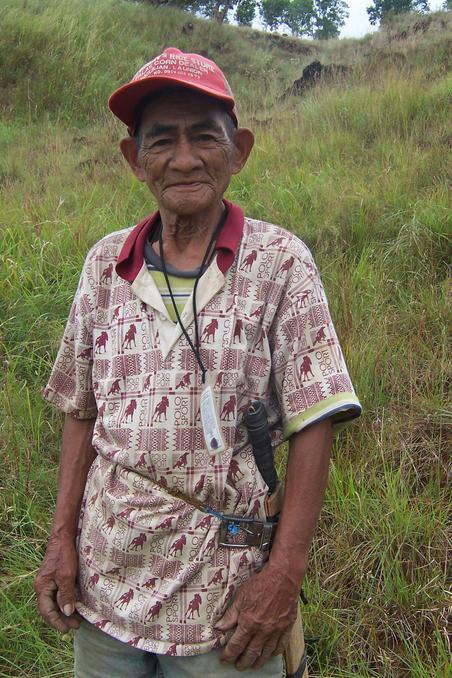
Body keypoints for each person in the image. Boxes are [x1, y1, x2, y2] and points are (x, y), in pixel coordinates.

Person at [34, 47, 361, 677]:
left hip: (227, 593)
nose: (184, 158)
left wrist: (285, 578)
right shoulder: (106, 265)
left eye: (203, 137)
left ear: (238, 150)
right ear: (135, 160)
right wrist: (60, 543)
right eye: (162, 141)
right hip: (108, 581)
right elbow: (80, 408)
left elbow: (314, 421)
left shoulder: (280, 264)